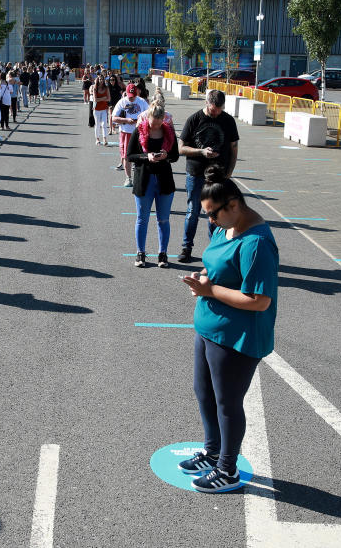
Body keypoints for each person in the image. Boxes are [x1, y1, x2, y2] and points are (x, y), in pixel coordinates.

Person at [178, 165, 278, 493]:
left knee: (227, 402)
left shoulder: (257, 242)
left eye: (212, 214)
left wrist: (209, 291)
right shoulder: (226, 227)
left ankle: (227, 468)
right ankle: (212, 451)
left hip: (237, 337)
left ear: (233, 204)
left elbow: (259, 300)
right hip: (210, 327)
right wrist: (206, 280)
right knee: (204, 393)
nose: (210, 221)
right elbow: (218, 266)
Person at [178, 89, 240, 263]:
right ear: (207, 103)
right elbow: (181, 148)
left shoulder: (228, 121)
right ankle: (186, 247)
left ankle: (215, 251)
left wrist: (229, 172)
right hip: (196, 173)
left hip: (218, 175)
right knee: (193, 210)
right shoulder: (194, 119)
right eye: (214, 110)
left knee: (215, 213)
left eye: (219, 110)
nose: (216, 113)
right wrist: (201, 151)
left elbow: (234, 148)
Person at [126, 95, 179, 268]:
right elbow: (130, 155)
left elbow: (175, 156)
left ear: (163, 119)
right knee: (142, 218)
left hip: (164, 181)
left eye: (159, 123)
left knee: (163, 219)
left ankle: (162, 254)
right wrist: (146, 156)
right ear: (147, 117)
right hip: (144, 180)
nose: (156, 126)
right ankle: (140, 253)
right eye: (153, 123)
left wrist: (166, 155)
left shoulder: (168, 131)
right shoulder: (139, 130)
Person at [112, 83, 150, 187]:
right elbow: (113, 118)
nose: (131, 98)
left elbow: (150, 115)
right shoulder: (122, 102)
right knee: (126, 156)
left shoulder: (142, 102)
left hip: (140, 132)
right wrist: (126, 120)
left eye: (133, 96)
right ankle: (128, 178)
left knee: (142, 156)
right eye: (130, 96)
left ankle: (140, 177)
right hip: (126, 132)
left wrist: (140, 120)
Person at [89, 77, 110, 146]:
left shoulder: (106, 88)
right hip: (96, 109)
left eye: (102, 79)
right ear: (98, 80)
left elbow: (109, 99)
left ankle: (105, 139)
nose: (101, 81)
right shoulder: (95, 88)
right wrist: (103, 98)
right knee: (97, 124)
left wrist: (101, 99)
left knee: (104, 124)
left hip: (104, 108)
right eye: (100, 79)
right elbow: (95, 99)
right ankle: (97, 139)